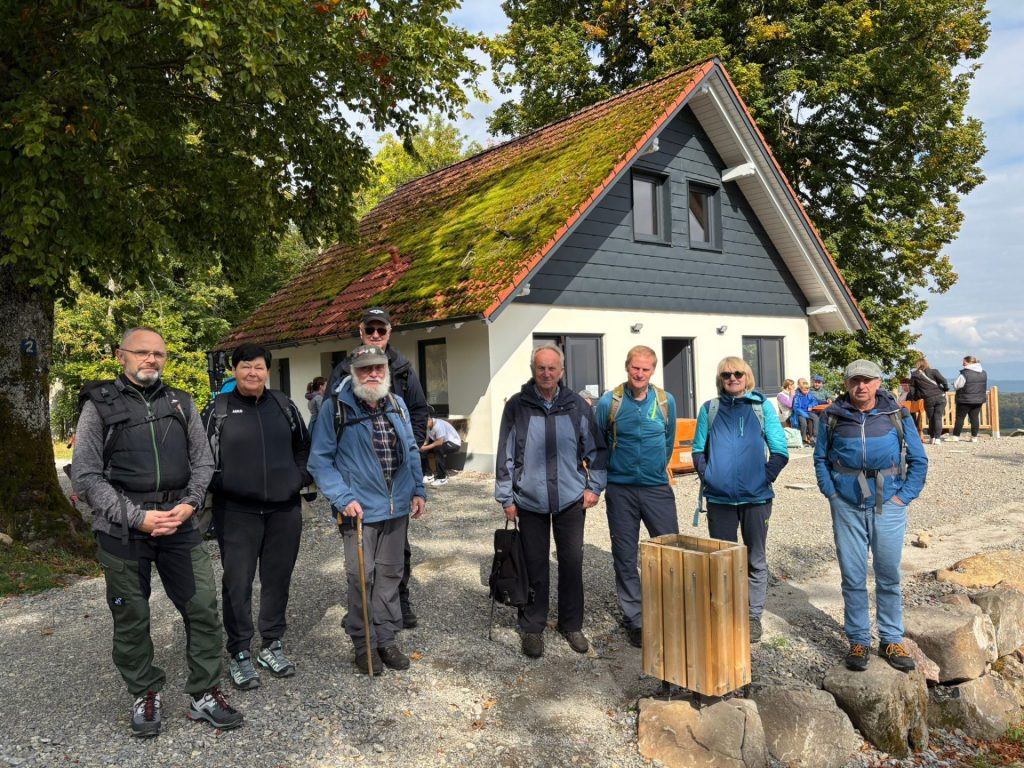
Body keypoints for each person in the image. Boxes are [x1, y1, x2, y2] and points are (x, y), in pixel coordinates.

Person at [69, 327, 243, 737]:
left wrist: (190, 504)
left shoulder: (180, 402)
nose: (151, 360)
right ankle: (144, 691)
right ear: (120, 356)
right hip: (122, 529)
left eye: (158, 354)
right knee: (132, 616)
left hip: (180, 523)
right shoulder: (98, 406)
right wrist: (135, 517)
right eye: (142, 353)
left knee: (202, 608)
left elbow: (204, 462)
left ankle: (204, 691)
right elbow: (86, 474)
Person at [308, 344, 426, 675]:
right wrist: (342, 497)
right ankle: (364, 645)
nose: (373, 374)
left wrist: (418, 489)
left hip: (397, 508)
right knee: (362, 578)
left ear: (386, 372)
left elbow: (412, 450)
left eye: (378, 368)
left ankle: (386, 639)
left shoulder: (398, 405)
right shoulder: (335, 409)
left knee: (390, 576)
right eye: (365, 369)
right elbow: (320, 461)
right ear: (353, 373)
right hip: (358, 512)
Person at [203, 344, 311, 691]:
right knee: (238, 582)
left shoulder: (284, 406)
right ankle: (238, 651)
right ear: (234, 371)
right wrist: (229, 485)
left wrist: (298, 478)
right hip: (236, 512)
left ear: (268, 371)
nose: (253, 372)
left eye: (260, 367)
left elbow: (303, 448)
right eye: (246, 366)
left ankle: (271, 643)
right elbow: (202, 459)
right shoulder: (218, 409)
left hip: (284, 510)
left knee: (278, 579)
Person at [814, 359, 927, 673]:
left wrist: (903, 497)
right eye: (854, 381)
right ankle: (859, 639)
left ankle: (891, 638)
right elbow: (820, 458)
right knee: (852, 576)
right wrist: (832, 494)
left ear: (878, 382)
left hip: (888, 503)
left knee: (888, 575)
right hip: (847, 504)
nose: (860, 386)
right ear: (847, 384)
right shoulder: (833, 416)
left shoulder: (896, 415)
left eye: (867, 380)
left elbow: (919, 459)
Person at [495, 344, 607, 658]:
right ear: (534, 370)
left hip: (571, 500)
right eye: (541, 368)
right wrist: (506, 496)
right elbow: (504, 452)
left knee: (572, 563)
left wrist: (594, 487)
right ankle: (533, 626)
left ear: (562, 371)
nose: (546, 373)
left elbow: (596, 450)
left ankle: (571, 624)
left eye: (552, 368)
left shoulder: (577, 406)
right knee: (535, 566)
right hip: (529, 501)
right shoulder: (518, 406)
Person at [327, 307, 429, 629]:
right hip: (360, 485)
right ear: (360, 331)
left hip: (395, 479)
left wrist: (410, 446)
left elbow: (418, 409)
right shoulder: (344, 368)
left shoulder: (402, 369)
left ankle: (400, 601)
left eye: (380, 331)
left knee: (398, 551)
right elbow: (330, 421)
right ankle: (362, 613)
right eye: (369, 330)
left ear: (389, 332)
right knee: (360, 559)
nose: (375, 335)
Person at [692, 357, 789, 643]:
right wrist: (709, 476)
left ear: (747, 377)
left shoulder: (761, 408)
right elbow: (698, 450)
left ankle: (752, 616)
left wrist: (765, 476)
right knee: (721, 560)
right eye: (726, 375)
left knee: (755, 559)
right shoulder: (710, 409)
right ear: (720, 379)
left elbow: (780, 449)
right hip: (719, 499)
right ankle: (725, 613)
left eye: (738, 373)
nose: (732, 378)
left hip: (756, 498)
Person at [595, 345, 677, 648]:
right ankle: (636, 619)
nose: (639, 374)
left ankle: (669, 612)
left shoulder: (666, 401)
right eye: (635, 368)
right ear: (627, 367)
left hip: (656, 488)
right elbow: (600, 441)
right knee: (625, 556)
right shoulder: (610, 402)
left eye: (645, 369)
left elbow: (668, 442)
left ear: (653, 370)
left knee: (669, 552)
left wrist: (657, 469)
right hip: (621, 489)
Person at [909, 357, 949, 444]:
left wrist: (915, 397)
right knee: (938, 418)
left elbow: (912, 388)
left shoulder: (915, 375)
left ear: (917, 365)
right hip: (940, 397)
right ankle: (937, 438)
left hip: (928, 399)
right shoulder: (934, 371)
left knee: (931, 418)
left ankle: (932, 437)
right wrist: (945, 389)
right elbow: (944, 381)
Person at [949, 356, 987, 442]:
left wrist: (954, 384)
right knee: (974, 418)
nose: (963, 363)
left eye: (964, 362)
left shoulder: (965, 373)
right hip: (978, 399)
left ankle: (956, 436)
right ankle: (974, 437)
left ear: (969, 362)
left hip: (964, 399)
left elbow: (957, 385)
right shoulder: (983, 372)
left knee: (960, 418)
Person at [420, 415, 462, 486]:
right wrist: (423, 447)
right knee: (423, 451)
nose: (423, 425)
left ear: (429, 420)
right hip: (443, 442)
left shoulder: (438, 425)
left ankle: (442, 478)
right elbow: (427, 439)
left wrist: (426, 448)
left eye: (424, 423)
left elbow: (439, 442)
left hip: (454, 443)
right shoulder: (428, 426)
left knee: (438, 449)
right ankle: (429, 475)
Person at [792, 378, 819, 446]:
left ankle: (814, 436)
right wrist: (806, 415)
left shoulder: (809, 394)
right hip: (801, 413)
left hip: (808, 412)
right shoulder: (797, 396)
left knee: (815, 418)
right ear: (801, 389)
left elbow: (815, 401)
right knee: (804, 423)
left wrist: (811, 405)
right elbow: (796, 408)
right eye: (804, 390)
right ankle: (803, 439)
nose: (806, 391)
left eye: (807, 389)